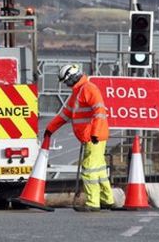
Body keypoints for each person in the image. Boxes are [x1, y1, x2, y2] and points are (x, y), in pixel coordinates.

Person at [44, 63, 113, 211]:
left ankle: (93, 203)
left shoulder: (89, 89)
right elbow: (64, 115)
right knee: (99, 170)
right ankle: (107, 199)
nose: (67, 85)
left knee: (88, 169)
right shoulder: (77, 92)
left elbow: (99, 112)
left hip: (94, 137)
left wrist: (94, 133)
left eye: (67, 81)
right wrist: (50, 129)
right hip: (91, 137)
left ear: (72, 77)